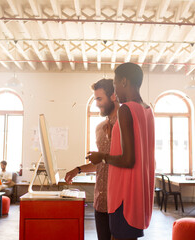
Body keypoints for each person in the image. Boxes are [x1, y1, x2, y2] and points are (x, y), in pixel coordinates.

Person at [87, 62, 155, 240]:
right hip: (138, 195)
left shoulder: (126, 109)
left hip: (123, 196)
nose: (115, 90)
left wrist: (101, 156)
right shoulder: (147, 109)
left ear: (124, 81)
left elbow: (128, 159)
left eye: (115, 83)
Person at [65, 78, 119, 240]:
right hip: (100, 201)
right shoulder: (99, 128)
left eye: (99, 98)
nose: (96, 103)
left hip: (119, 203)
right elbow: (101, 163)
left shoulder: (126, 125)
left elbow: (128, 160)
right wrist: (78, 169)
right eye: (95, 99)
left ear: (113, 96)